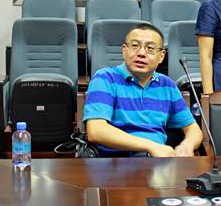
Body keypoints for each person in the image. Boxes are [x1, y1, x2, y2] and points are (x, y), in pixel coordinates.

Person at [84, 23, 203, 157]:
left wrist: (187, 145)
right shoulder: (105, 78)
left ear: (161, 56)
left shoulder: (167, 85)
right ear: (124, 50)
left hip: (157, 163)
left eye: (150, 48)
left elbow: (193, 129)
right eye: (135, 46)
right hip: (115, 162)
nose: (141, 53)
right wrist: (151, 146)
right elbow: (96, 131)